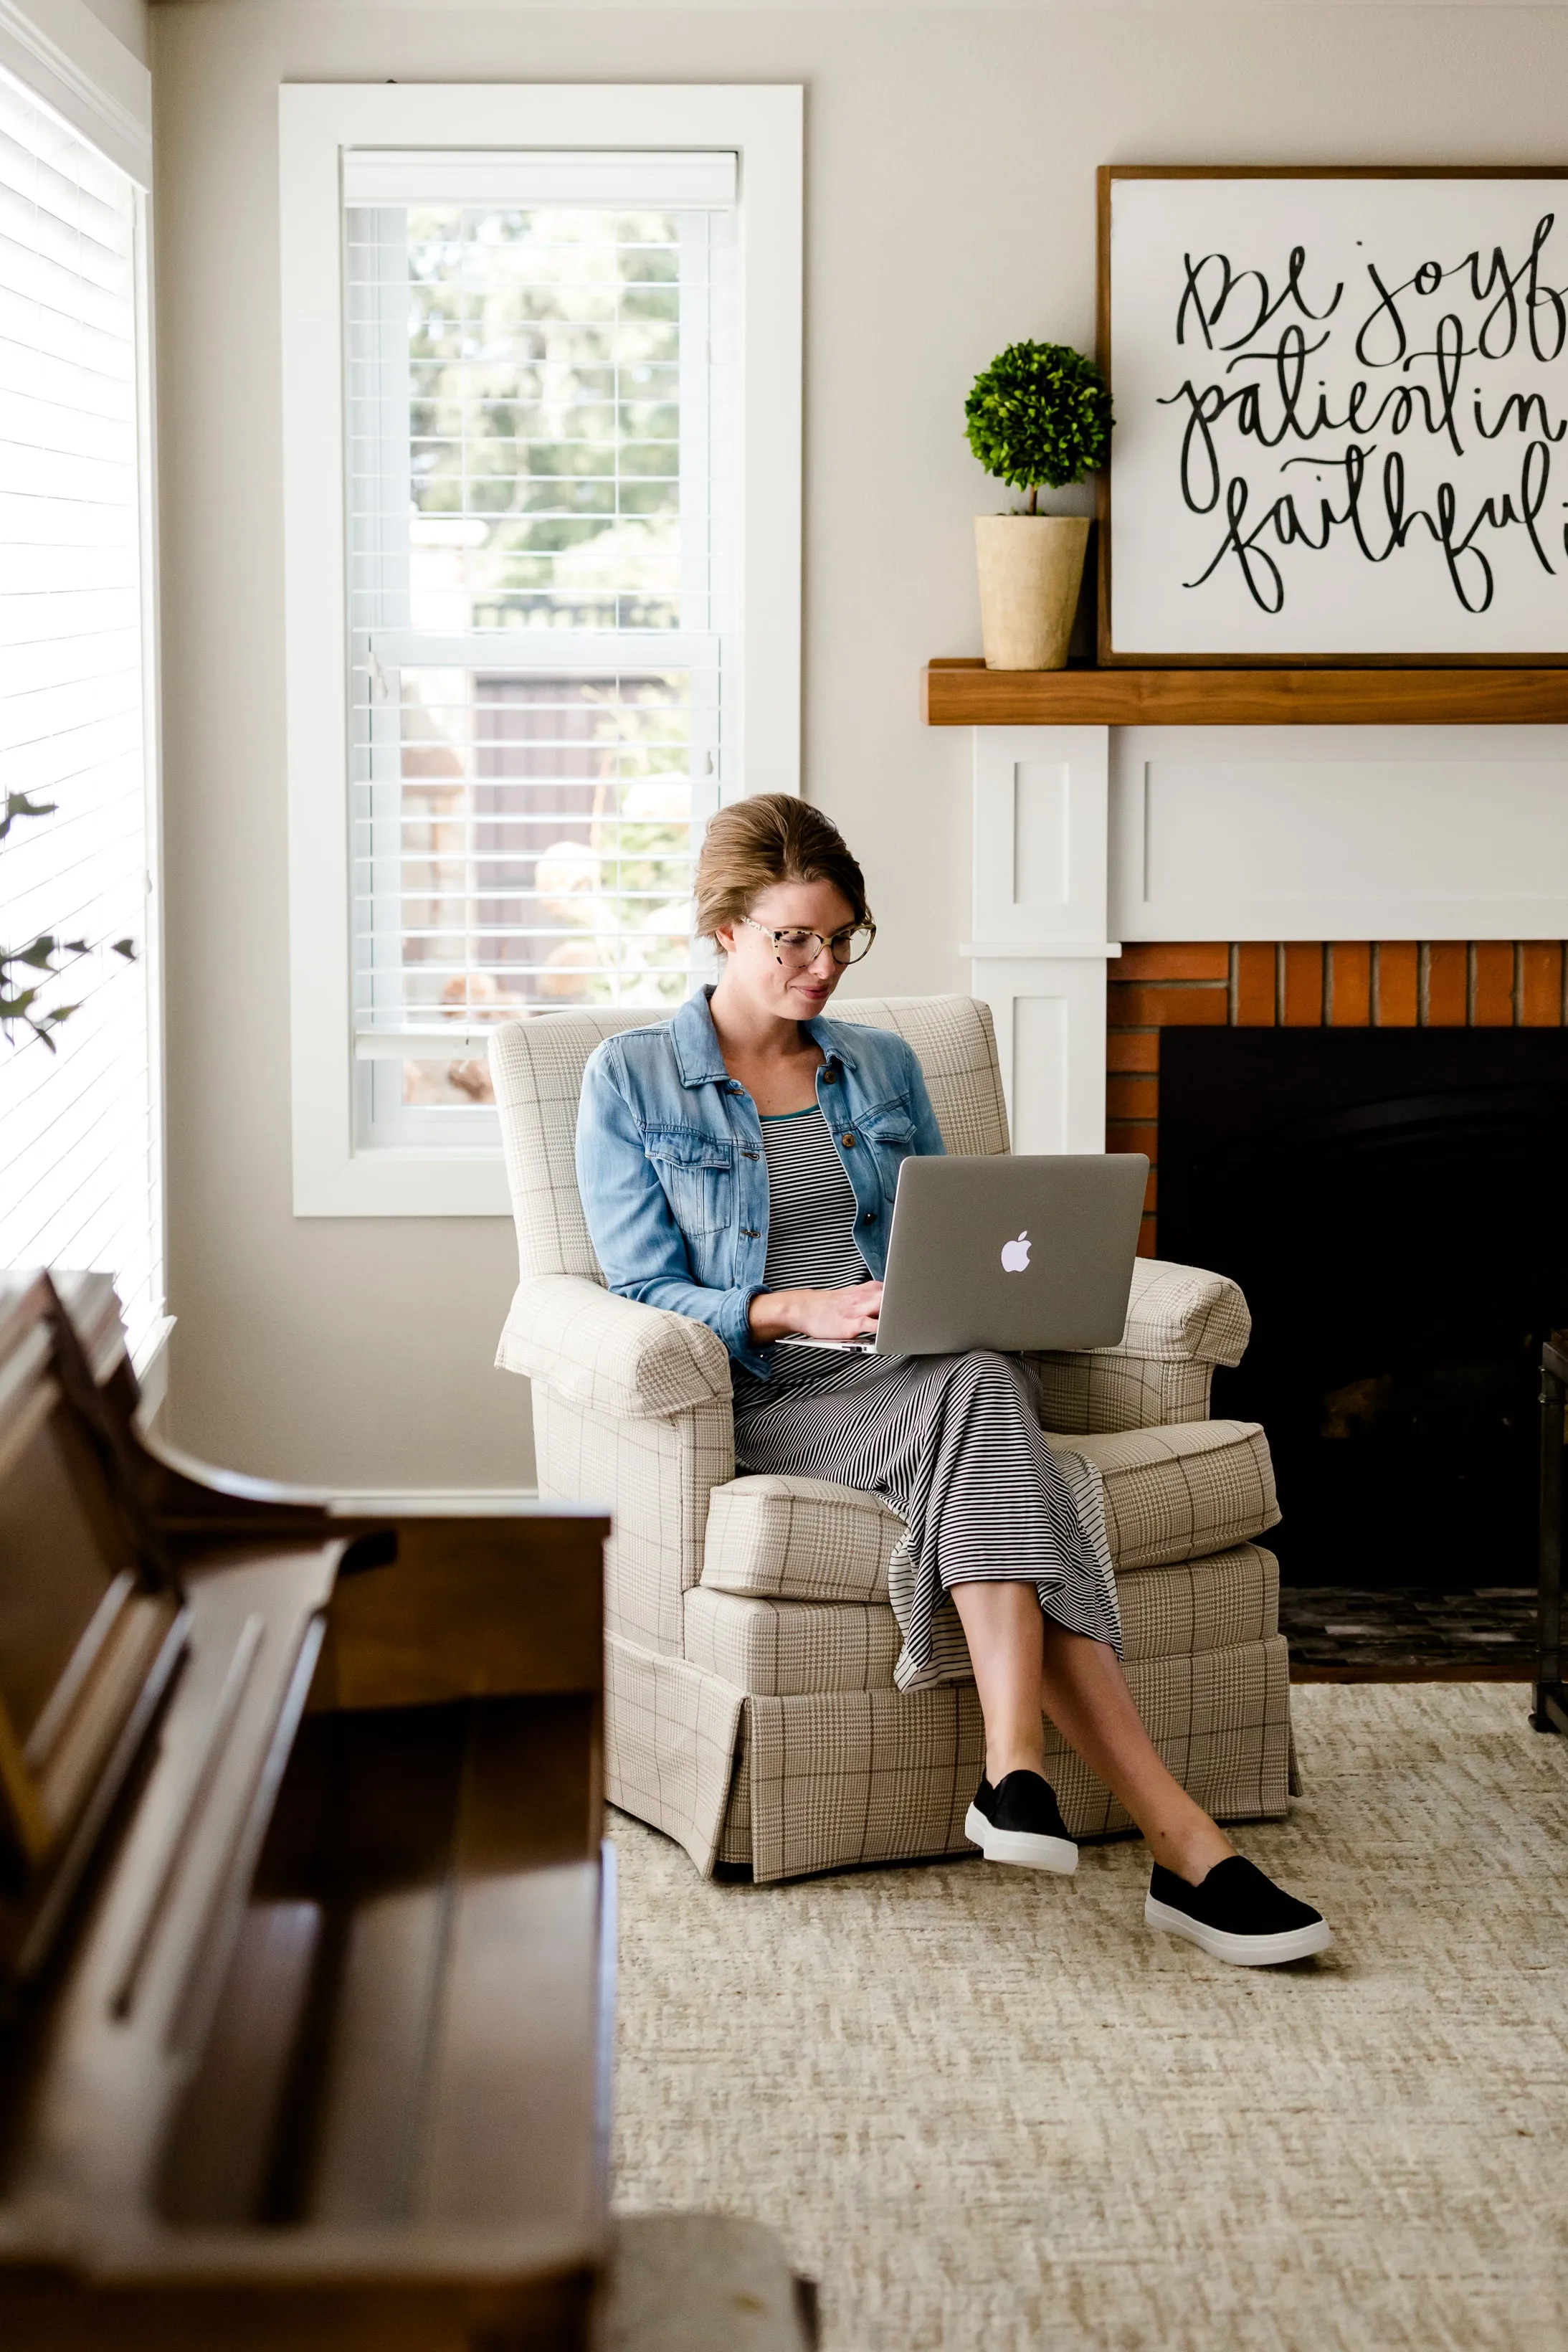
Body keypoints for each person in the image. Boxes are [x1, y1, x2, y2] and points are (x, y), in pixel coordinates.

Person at [578, 794, 1330, 1968]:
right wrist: (791, 1306)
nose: (823, 967)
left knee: (975, 1377)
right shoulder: (631, 1082)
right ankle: (1167, 1839)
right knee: (985, 1402)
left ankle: (1040, 1783)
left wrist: (986, 1288)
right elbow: (642, 1289)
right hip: (777, 1392)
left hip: (921, 1371)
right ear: (723, 929)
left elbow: (957, 1234)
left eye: (841, 940)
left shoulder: (879, 1064)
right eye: (794, 939)